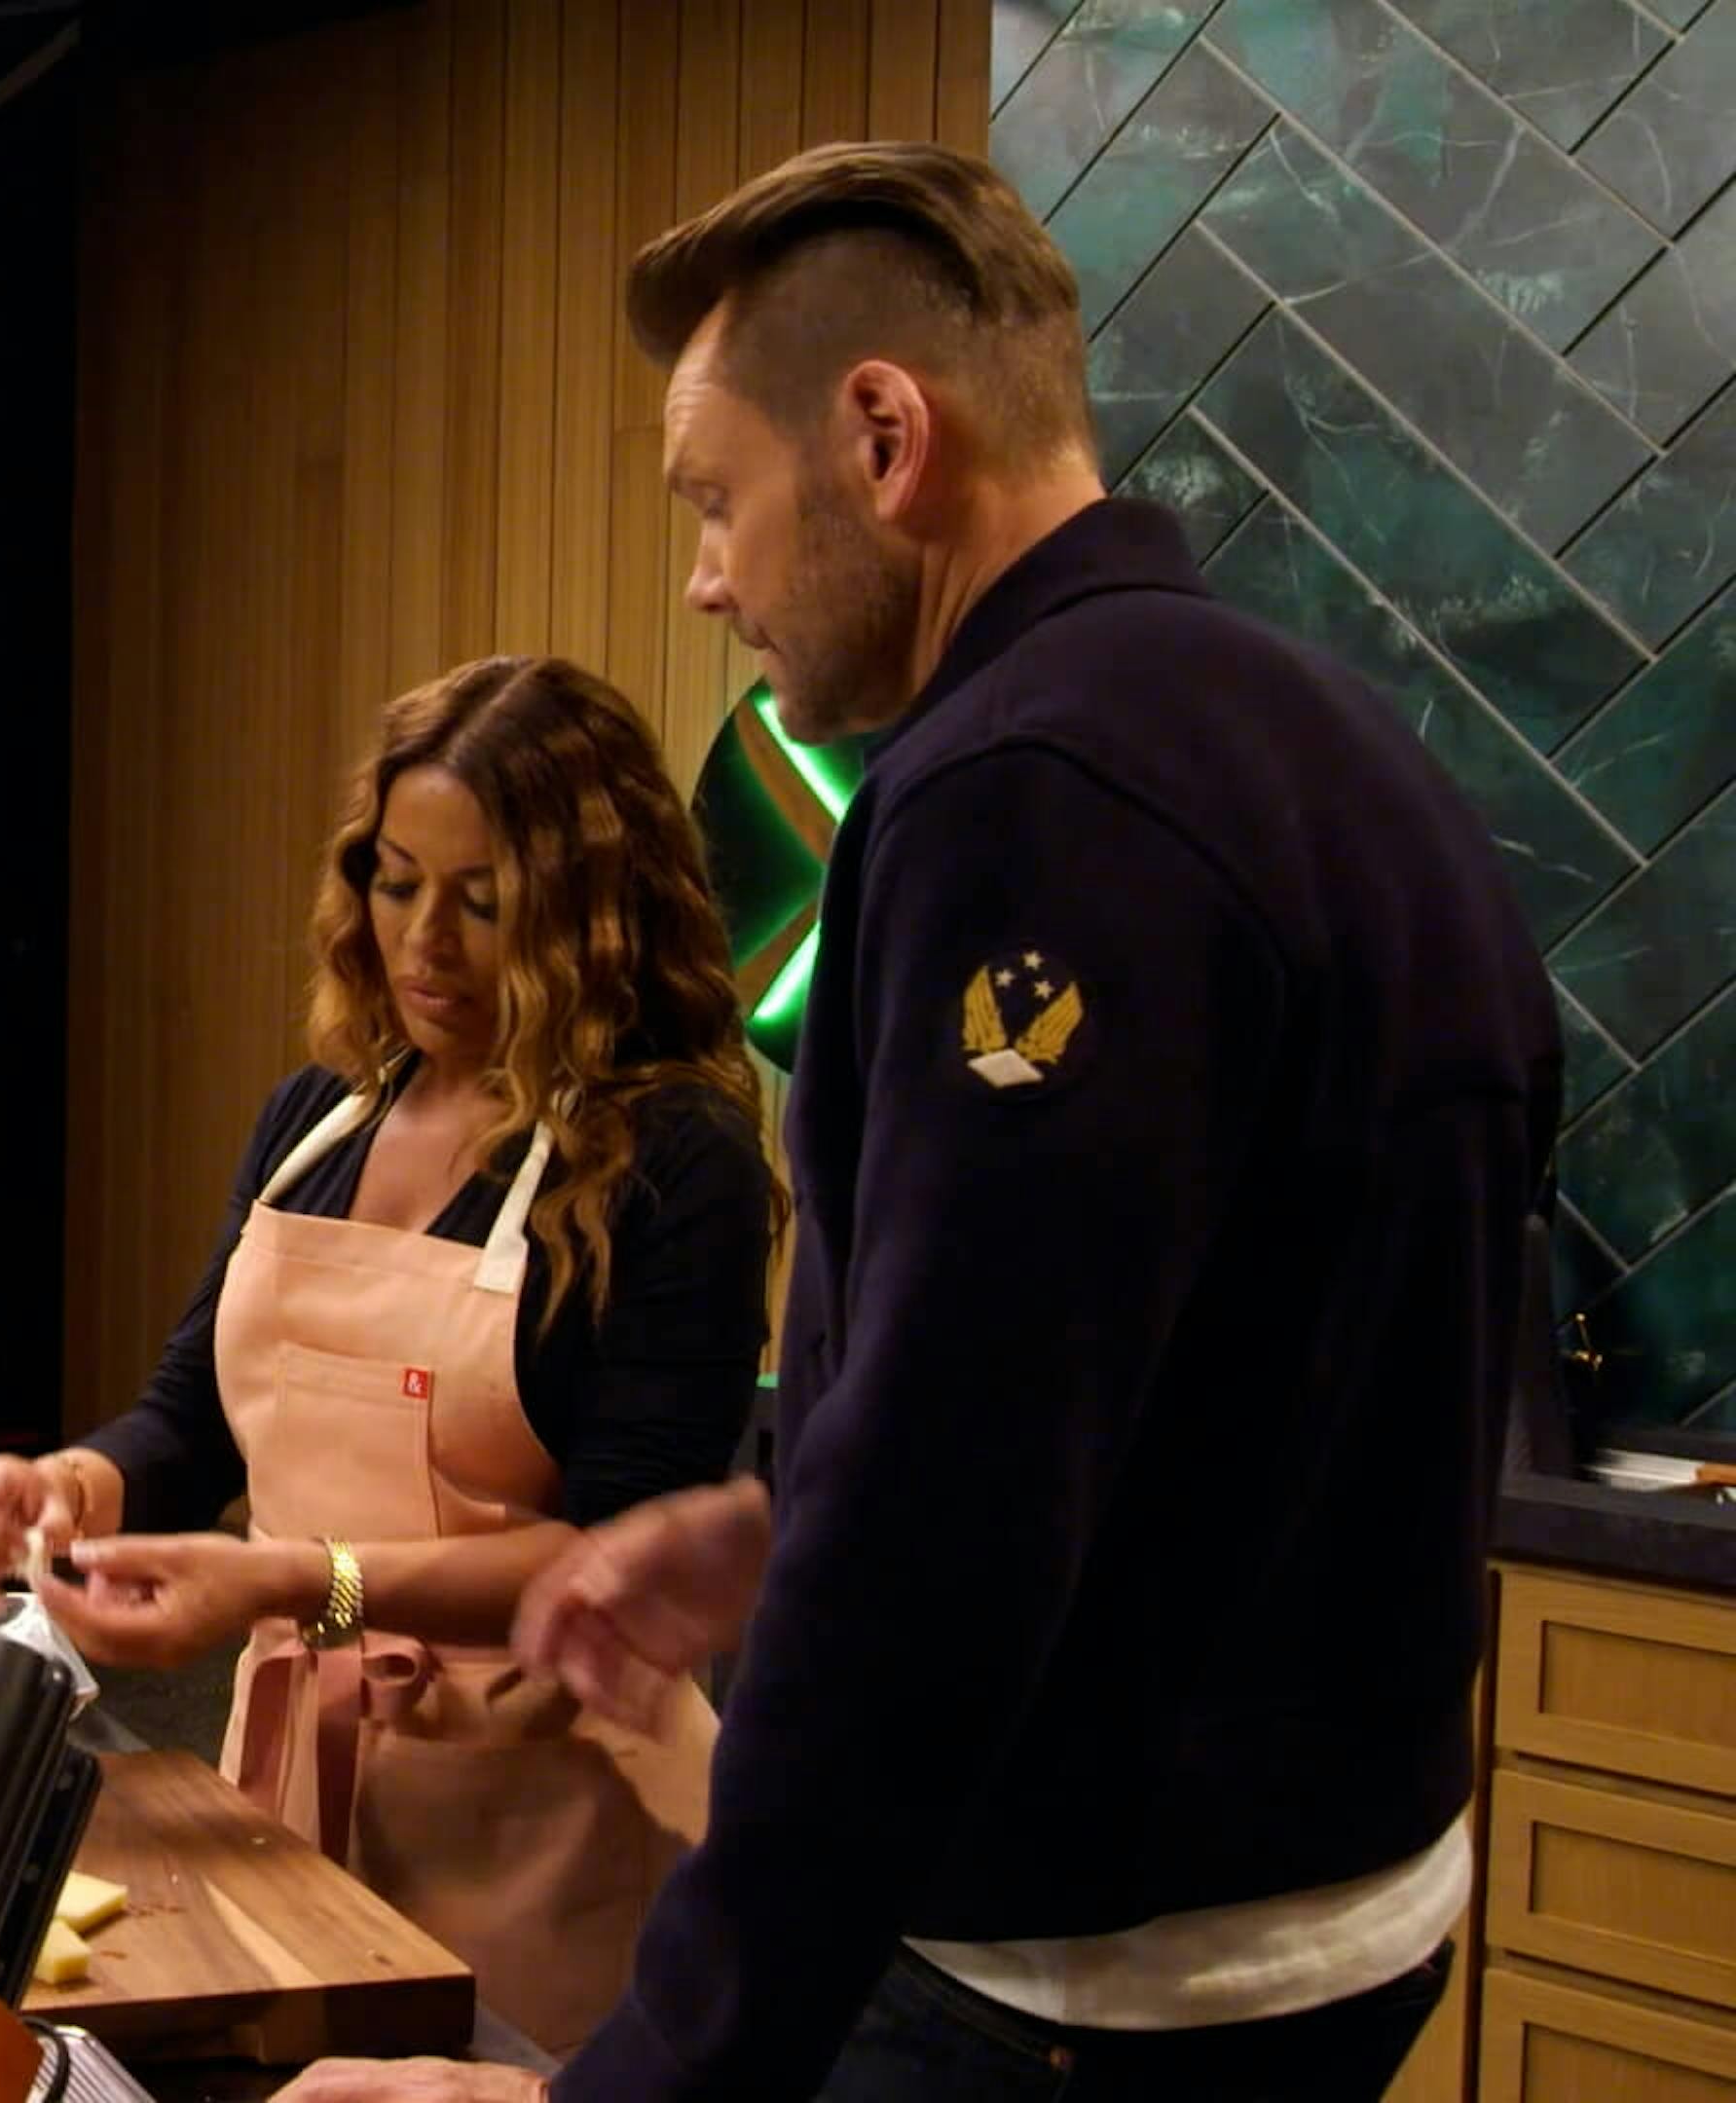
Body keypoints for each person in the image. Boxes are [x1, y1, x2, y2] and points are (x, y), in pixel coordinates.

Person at [278, 143, 1561, 2103]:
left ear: (883, 436)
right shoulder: (1343, 744)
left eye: (715, 501)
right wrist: (769, 1530)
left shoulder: (1014, 792)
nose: (706, 580)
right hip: (1341, 1935)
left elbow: (948, 1534)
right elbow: (1168, 1378)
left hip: (1068, 1993)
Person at [0, 656, 781, 2060]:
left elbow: (612, 1560)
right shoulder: (318, 1119)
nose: (427, 944)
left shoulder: (673, 1163)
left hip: (555, 1829)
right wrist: (76, 1484)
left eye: (487, 901)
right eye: (398, 884)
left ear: (594, 910)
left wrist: (292, 1582)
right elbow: (193, 1419)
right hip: (292, 1808)